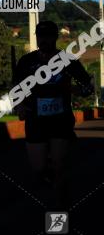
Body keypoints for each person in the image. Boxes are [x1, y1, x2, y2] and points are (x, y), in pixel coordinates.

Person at [13, 20, 93, 209]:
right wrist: (20, 107)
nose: (44, 40)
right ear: (37, 38)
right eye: (41, 36)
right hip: (35, 121)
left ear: (55, 38)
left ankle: (61, 204)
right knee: (38, 168)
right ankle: (52, 177)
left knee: (59, 164)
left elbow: (87, 87)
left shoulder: (67, 60)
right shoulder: (27, 62)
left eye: (48, 36)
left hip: (60, 120)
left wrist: (74, 88)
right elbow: (15, 90)